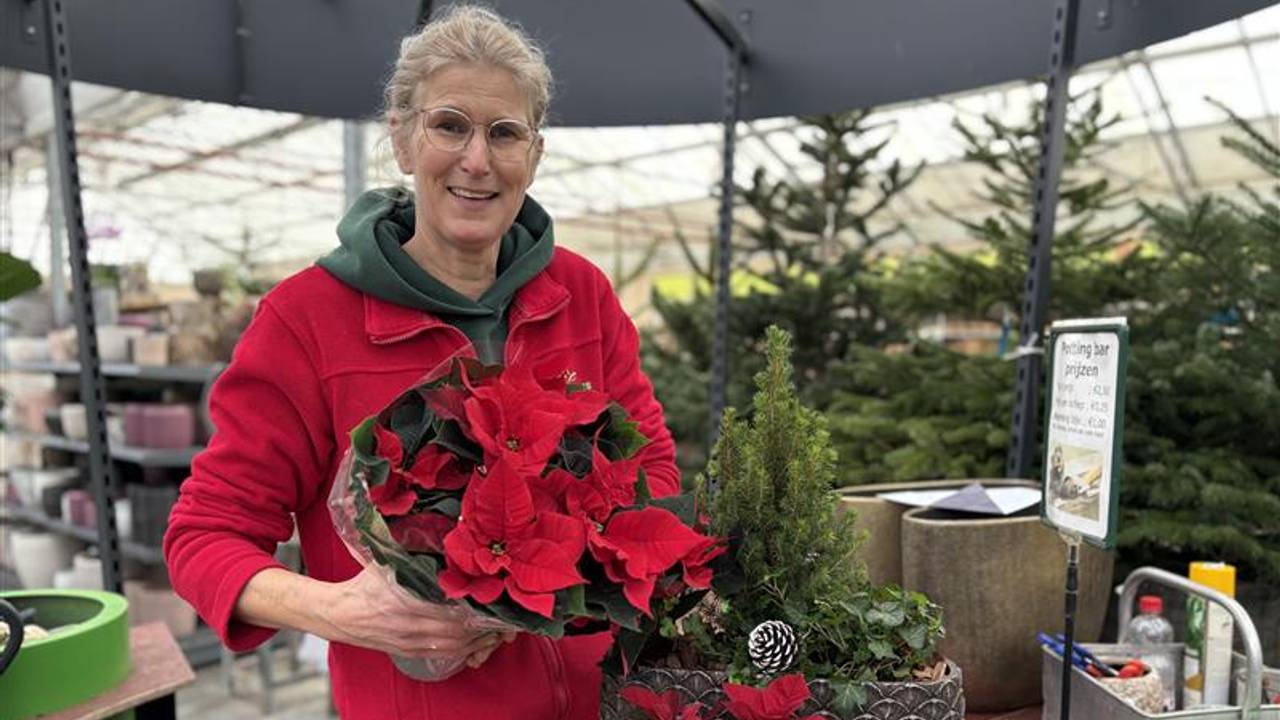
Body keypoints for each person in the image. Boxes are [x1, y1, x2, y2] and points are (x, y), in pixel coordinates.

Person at [163, 6, 679, 719]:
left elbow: (650, 467)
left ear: (534, 153)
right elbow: (204, 536)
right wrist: (344, 610)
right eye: (449, 125)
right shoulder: (307, 319)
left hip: (609, 700)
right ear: (402, 140)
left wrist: (572, 573)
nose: (477, 159)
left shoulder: (579, 293)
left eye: (505, 133)